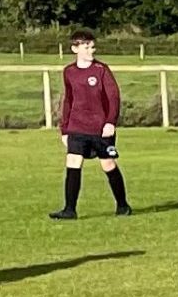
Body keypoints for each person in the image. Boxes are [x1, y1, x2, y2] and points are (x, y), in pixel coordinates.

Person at [53, 30, 130, 219]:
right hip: (77, 127)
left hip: (100, 127)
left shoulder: (102, 70)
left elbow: (113, 97)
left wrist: (110, 122)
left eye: (92, 47)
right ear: (75, 49)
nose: (91, 50)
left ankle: (122, 205)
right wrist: (65, 128)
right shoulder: (69, 72)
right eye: (86, 47)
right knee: (73, 162)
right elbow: (68, 100)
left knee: (108, 164)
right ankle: (69, 209)